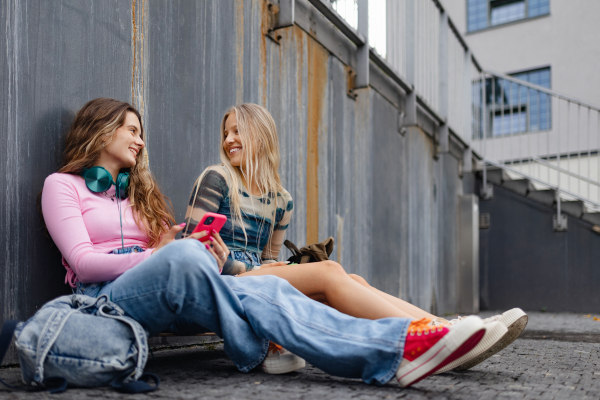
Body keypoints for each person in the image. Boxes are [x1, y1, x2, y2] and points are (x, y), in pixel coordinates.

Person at [40, 98, 489, 388]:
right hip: (104, 299)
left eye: (141, 132)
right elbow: (82, 263)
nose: (140, 140)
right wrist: (159, 254)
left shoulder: (141, 194)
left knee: (270, 286)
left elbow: (171, 253)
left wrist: (179, 242)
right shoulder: (62, 186)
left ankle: (399, 347)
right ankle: (251, 342)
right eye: (131, 130)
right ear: (101, 131)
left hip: (173, 287)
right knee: (193, 260)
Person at [182, 103, 527, 372]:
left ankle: (447, 330)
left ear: (261, 136)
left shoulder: (280, 199)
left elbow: (272, 259)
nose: (229, 140)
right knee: (330, 271)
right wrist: (244, 267)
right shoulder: (217, 179)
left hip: (261, 282)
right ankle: (433, 337)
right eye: (226, 133)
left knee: (352, 279)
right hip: (227, 282)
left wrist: (290, 272)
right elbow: (192, 249)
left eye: (238, 131)